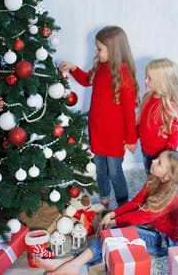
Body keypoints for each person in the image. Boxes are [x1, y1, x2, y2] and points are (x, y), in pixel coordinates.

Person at [34, 149, 178, 275]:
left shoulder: (175, 197)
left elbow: (142, 215)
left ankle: (72, 264)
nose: (153, 161)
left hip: (165, 241)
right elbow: (136, 203)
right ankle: (69, 262)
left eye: (159, 162)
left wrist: (115, 222)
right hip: (153, 228)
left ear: (167, 177)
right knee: (114, 235)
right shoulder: (154, 179)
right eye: (157, 158)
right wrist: (112, 214)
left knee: (117, 234)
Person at [59, 26, 140, 208]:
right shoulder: (101, 68)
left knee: (114, 171)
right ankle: (104, 199)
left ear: (114, 50)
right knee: (100, 169)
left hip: (115, 136)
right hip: (97, 131)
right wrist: (73, 68)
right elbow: (87, 80)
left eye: (100, 48)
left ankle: (122, 203)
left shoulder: (123, 75)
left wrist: (131, 139)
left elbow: (129, 112)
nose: (96, 51)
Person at [138, 58, 178, 175]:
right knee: (149, 176)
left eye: (149, 78)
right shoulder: (147, 98)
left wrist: (165, 157)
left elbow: (174, 136)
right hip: (145, 150)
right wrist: (132, 138)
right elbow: (142, 123)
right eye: (146, 76)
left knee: (159, 182)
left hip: (160, 157)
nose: (145, 80)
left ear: (162, 82)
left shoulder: (172, 107)